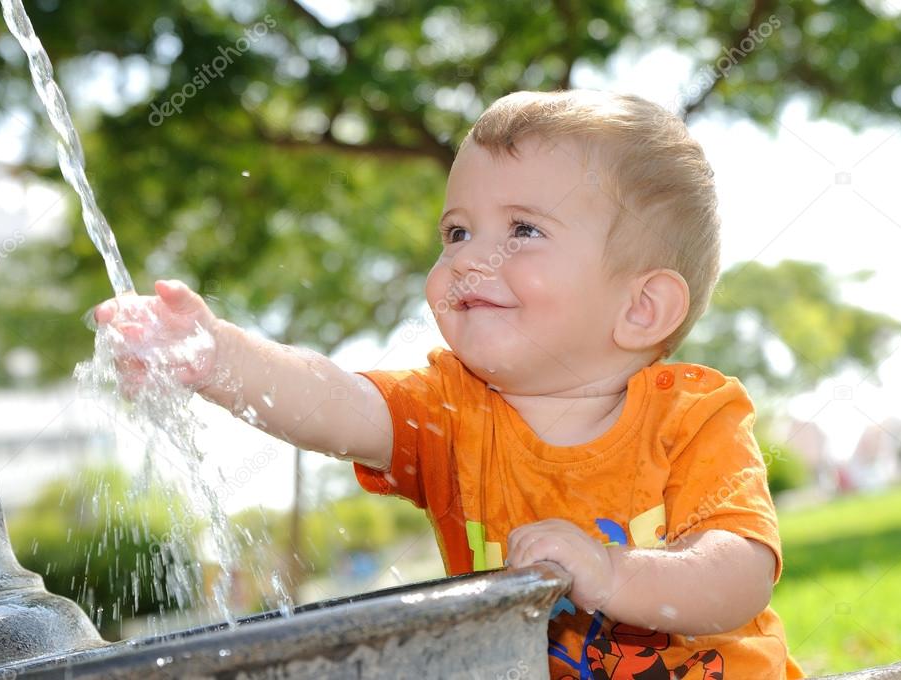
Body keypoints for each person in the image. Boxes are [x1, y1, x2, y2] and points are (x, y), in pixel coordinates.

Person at [95, 90, 804, 679]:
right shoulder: (449, 410)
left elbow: (737, 574)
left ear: (641, 307)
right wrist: (218, 355)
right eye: (456, 232)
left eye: (523, 229)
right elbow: (334, 400)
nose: (468, 260)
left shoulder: (696, 416)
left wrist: (614, 574)